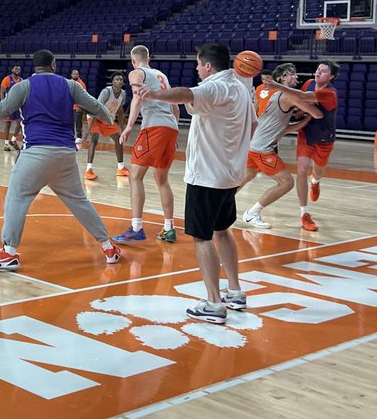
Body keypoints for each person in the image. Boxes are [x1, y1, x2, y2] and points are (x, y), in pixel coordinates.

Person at [138, 42, 257, 323]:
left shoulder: (214, 87)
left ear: (207, 65)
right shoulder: (240, 87)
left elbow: (185, 93)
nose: (196, 68)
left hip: (207, 176)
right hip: (229, 175)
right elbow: (252, 125)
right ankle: (235, 292)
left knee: (202, 237)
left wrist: (154, 94)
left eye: (198, 64)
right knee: (222, 231)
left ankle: (214, 303)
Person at [0, 49, 122, 270]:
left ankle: (9, 253)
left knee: (16, 197)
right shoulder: (70, 85)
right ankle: (108, 247)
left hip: (36, 153)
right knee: (79, 202)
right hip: (65, 155)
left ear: (34, 67)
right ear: (53, 64)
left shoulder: (23, 86)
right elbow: (99, 109)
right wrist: (109, 118)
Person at [239, 63, 323, 229]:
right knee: (286, 183)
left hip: (253, 144)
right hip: (261, 149)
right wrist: (317, 105)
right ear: (282, 78)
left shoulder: (279, 95)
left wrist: (304, 120)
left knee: (247, 176)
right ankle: (252, 213)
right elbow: (318, 113)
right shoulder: (288, 96)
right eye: (293, 74)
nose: (297, 77)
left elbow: (285, 128)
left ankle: (219, 205)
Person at [116, 45, 180, 245]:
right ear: (149, 58)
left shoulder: (137, 73)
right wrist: (174, 132)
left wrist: (127, 127)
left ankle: (136, 228)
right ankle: (169, 229)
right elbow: (175, 106)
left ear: (133, 60)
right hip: (170, 127)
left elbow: (137, 97)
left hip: (153, 127)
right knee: (162, 180)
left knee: (135, 176)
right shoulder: (162, 76)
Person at [295, 60, 340, 232]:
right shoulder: (308, 83)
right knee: (301, 170)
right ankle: (304, 213)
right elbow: (300, 101)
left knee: (318, 170)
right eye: (318, 69)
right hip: (306, 134)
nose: (318, 72)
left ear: (332, 76)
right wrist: (299, 111)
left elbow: (304, 98)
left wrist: (278, 86)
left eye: (323, 70)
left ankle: (315, 181)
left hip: (324, 138)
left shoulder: (330, 93)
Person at [85, 72, 128, 180]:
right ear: (113, 82)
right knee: (94, 140)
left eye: (121, 80)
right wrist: (88, 129)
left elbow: (119, 110)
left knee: (119, 140)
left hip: (107, 119)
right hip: (95, 116)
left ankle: (121, 168)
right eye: (117, 79)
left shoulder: (123, 93)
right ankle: (88, 170)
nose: (119, 81)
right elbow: (96, 108)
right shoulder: (106, 92)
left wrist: (122, 127)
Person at [0, 63, 24, 151]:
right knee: (8, 124)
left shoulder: (21, 80)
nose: (17, 70)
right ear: (12, 70)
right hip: (9, 104)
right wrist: (3, 102)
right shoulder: (7, 79)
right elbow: (2, 91)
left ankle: (13, 140)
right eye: (16, 69)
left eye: (19, 69)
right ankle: (6, 144)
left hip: (18, 105)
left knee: (20, 123)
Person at [70, 68, 89, 144]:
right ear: (71, 75)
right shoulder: (69, 83)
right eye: (74, 74)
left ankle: (79, 136)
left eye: (76, 74)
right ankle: (71, 135)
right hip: (70, 106)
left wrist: (80, 107)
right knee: (70, 122)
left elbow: (83, 97)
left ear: (78, 75)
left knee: (78, 123)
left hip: (77, 107)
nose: (75, 75)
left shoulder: (81, 84)